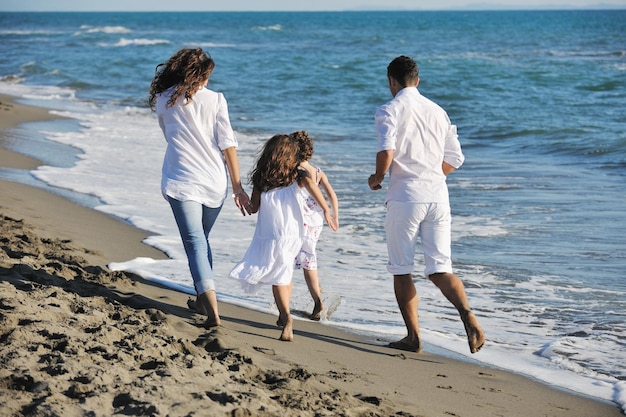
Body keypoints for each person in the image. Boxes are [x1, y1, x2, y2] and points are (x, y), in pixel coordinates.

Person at [368, 55, 485, 354]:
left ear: (391, 81)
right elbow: (456, 159)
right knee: (440, 268)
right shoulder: (439, 111)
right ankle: (468, 316)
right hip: (438, 196)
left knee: (401, 269)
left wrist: (377, 177)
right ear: (417, 81)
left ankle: (413, 337)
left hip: (406, 197)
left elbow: (387, 150)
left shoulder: (389, 110)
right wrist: (430, 174)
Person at [149, 47, 252, 329]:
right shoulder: (216, 100)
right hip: (214, 181)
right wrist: (238, 187)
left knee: (196, 242)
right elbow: (228, 145)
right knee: (200, 241)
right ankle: (201, 299)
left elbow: (168, 136)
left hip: (181, 179)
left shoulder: (162, 100)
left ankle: (213, 313)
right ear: (201, 75)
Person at [229, 133, 338, 341]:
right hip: (294, 234)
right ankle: (284, 312)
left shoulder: (261, 179)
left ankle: (285, 316)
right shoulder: (298, 176)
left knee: (278, 277)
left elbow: (254, 209)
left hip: (271, 235)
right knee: (284, 273)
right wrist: (327, 211)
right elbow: (317, 193)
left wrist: (241, 197)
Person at [292, 131, 339, 321]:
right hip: (316, 221)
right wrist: (335, 215)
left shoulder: (294, 171)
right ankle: (317, 295)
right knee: (308, 258)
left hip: (298, 219)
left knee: (293, 258)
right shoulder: (318, 171)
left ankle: (317, 300)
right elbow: (332, 195)